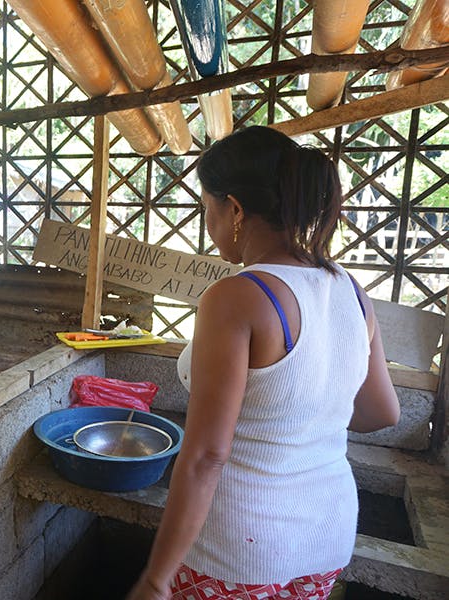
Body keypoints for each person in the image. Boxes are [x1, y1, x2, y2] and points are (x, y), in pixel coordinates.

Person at [126, 126, 400, 600]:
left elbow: (207, 457)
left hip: (240, 547)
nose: (208, 224)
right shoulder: (351, 291)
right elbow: (382, 412)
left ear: (234, 209)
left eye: (207, 208)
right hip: (327, 535)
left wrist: (156, 576)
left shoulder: (237, 296)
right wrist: (307, 414)